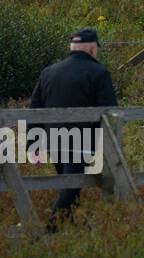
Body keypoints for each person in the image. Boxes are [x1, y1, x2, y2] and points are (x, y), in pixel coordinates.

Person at [29, 27, 118, 230]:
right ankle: (49, 232)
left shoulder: (49, 72)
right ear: (92, 48)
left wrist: (33, 144)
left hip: (53, 139)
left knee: (70, 185)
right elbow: (111, 112)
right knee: (71, 187)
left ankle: (74, 229)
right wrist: (108, 144)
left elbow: (34, 110)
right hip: (81, 140)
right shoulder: (99, 73)